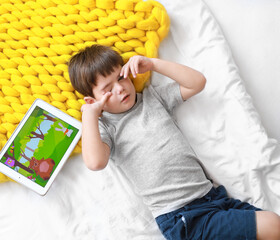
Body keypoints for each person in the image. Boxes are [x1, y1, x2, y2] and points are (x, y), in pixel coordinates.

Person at [68, 44, 280, 240]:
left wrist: (153, 64)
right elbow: (95, 162)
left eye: (121, 78)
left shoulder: (153, 99)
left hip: (212, 197)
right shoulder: (107, 128)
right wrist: (89, 115)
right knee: (272, 224)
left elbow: (197, 83)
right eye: (107, 89)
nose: (120, 88)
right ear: (93, 100)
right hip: (182, 216)